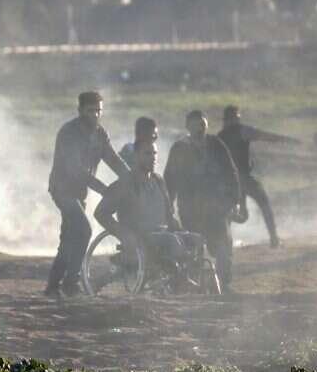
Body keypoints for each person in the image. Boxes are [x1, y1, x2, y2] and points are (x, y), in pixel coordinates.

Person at [46, 91, 129, 298]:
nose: (95, 115)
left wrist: (133, 177)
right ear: (80, 110)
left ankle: (52, 287)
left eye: (99, 111)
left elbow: (114, 160)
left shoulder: (100, 134)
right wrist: (104, 189)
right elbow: (76, 171)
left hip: (79, 193)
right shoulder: (68, 133)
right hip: (63, 190)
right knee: (83, 230)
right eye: (91, 110)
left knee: (68, 240)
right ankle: (71, 283)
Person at [95, 139, 204, 291]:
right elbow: (100, 213)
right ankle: (181, 280)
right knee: (173, 241)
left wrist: (181, 231)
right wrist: (123, 233)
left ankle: (192, 282)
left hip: (162, 233)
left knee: (196, 239)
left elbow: (169, 215)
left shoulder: (158, 180)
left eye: (154, 153)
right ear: (135, 158)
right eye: (147, 153)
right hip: (140, 235)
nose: (153, 157)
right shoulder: (124, 185)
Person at [164, 110, 240, 292]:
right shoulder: (180, 148)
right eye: (195, 125)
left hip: (216, 207)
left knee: (223, 244)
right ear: (187, 127)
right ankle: (196, 284)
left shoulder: (215, 144)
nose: (199, 128)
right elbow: (170, 178)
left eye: (202, 125)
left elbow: (231, 172)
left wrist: (235, 200)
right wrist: (168, 205)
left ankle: (225, 283)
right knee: (193, 248)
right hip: (190, 207)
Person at [217, 105, 300, 248]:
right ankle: (273, 238)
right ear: (235, 118)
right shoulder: (241, 131)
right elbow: (267, 136)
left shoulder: (219, 137)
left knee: (241, 215)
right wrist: (288, 140)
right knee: (263, 202)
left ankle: (224, 238)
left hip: (229, 181)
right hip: (243, 178)